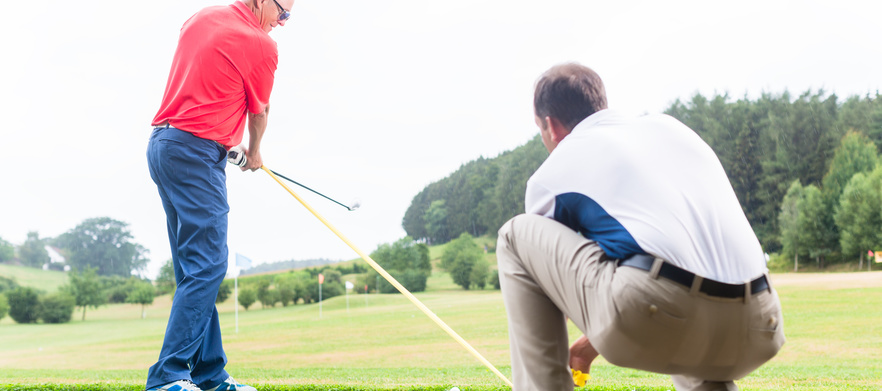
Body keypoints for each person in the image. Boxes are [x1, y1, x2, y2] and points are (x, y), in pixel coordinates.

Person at [496, 63, 785, 391]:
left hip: (661, 314)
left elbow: (553, 287)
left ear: (550, 125)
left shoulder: (554, 169)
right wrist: (588, 347)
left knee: (515, 235)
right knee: (693, 331)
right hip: (761, 325)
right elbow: (685, 267)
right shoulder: (672, 129)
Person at [145, 0, 294, 390]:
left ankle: (209, 375)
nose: (283, 22)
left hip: (165, 144)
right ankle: (168, 376)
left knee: (196, 269)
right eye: (283, 12)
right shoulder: (261, 43)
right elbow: (259, 111)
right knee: (209, 266)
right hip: (195, 154)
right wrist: (254, 152)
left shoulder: (203, 16)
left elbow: (208, 85)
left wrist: (224, 139)